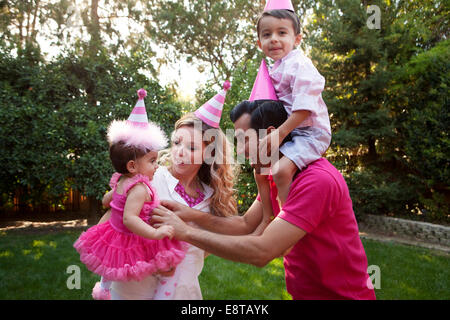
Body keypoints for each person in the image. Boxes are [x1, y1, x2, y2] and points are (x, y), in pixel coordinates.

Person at [152, 100, 376, 300]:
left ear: (270, 134)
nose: (239, 150)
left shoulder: (316, 181)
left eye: (243, 140)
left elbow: (262, 251)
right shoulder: (276, 175)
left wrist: (186, 232)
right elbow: (246, 224)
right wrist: (190, 214)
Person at [103, 82, 237, 300]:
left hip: (183, 292)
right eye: (177, 143)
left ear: (208, 153)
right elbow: (115, 221)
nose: (180, 153)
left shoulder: (211, 196)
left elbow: (212, 243)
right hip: (135, 289)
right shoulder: (151, 179)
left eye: (192, 147)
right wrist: (152, 261)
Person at [73, 89, 186, 300]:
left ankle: (104, 290)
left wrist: (110, 201)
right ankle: (161, 291)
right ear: (133, 166)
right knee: (148, 260)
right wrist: (155, 234)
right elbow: (130, 218)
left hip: (113, 229)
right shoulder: (139, 188)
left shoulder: (120, 179)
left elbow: (108, 199)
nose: (156, 165)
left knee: (110, 263)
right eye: (152, 161)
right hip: (131, 233)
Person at [255, 2, 332, 213]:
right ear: (259, 43)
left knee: (280, 171)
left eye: (282, 32)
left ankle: (287, 217)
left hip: (311, 133)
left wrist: (279, 134)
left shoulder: (299, 65)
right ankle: (267, 217)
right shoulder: (273, 68)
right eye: (267, 34)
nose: (274, 39)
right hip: (291, 133)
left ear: (296, 39)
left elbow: (305, 108)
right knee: (260, 168)